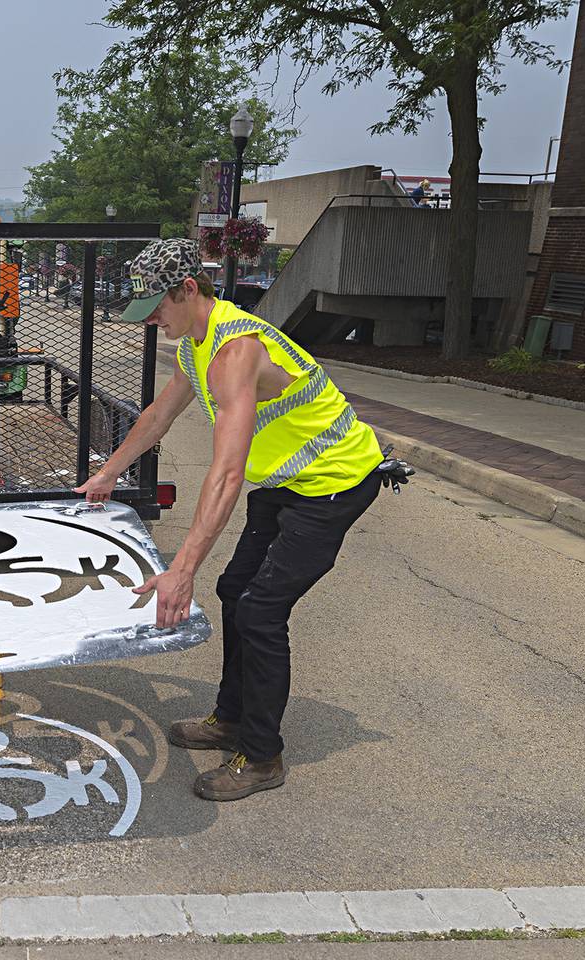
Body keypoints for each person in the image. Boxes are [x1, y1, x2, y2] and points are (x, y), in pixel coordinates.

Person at [75, 239, 384, 802]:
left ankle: (262, 756)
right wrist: (109, 473)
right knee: (235, 588)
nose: (155, 324)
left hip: (335, 485)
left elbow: (226, 472)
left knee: (262, 611)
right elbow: (158, 416)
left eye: (159, 309)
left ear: (188, 290)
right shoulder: (197, 343)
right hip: (288, 483)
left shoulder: (236, 350)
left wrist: (181, 567)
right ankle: (229, 717)